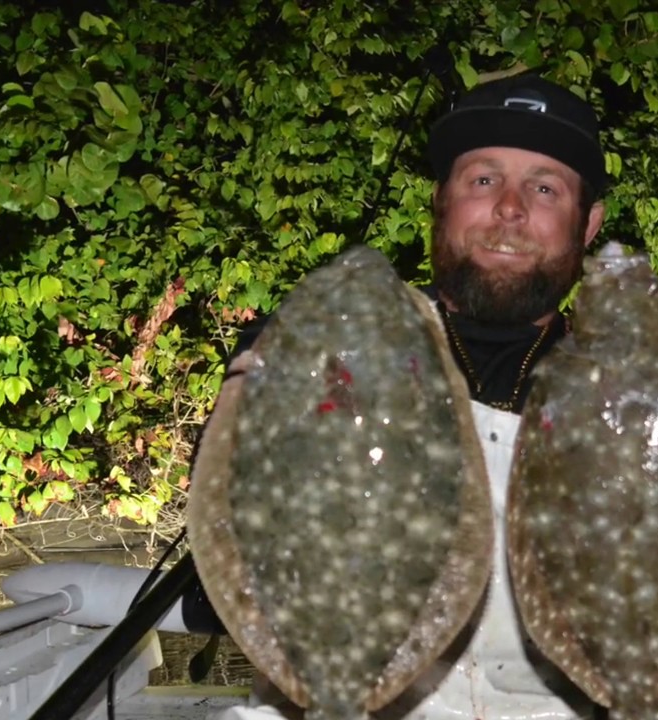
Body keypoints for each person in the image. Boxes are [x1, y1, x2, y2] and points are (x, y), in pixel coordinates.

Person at [198, 72, 610, 720]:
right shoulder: (320, 351)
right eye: (482, 179)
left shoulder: (622, 398)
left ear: (588, 224)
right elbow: (218, 580)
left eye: (544, 187)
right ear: (439, 203)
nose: (509, 207)